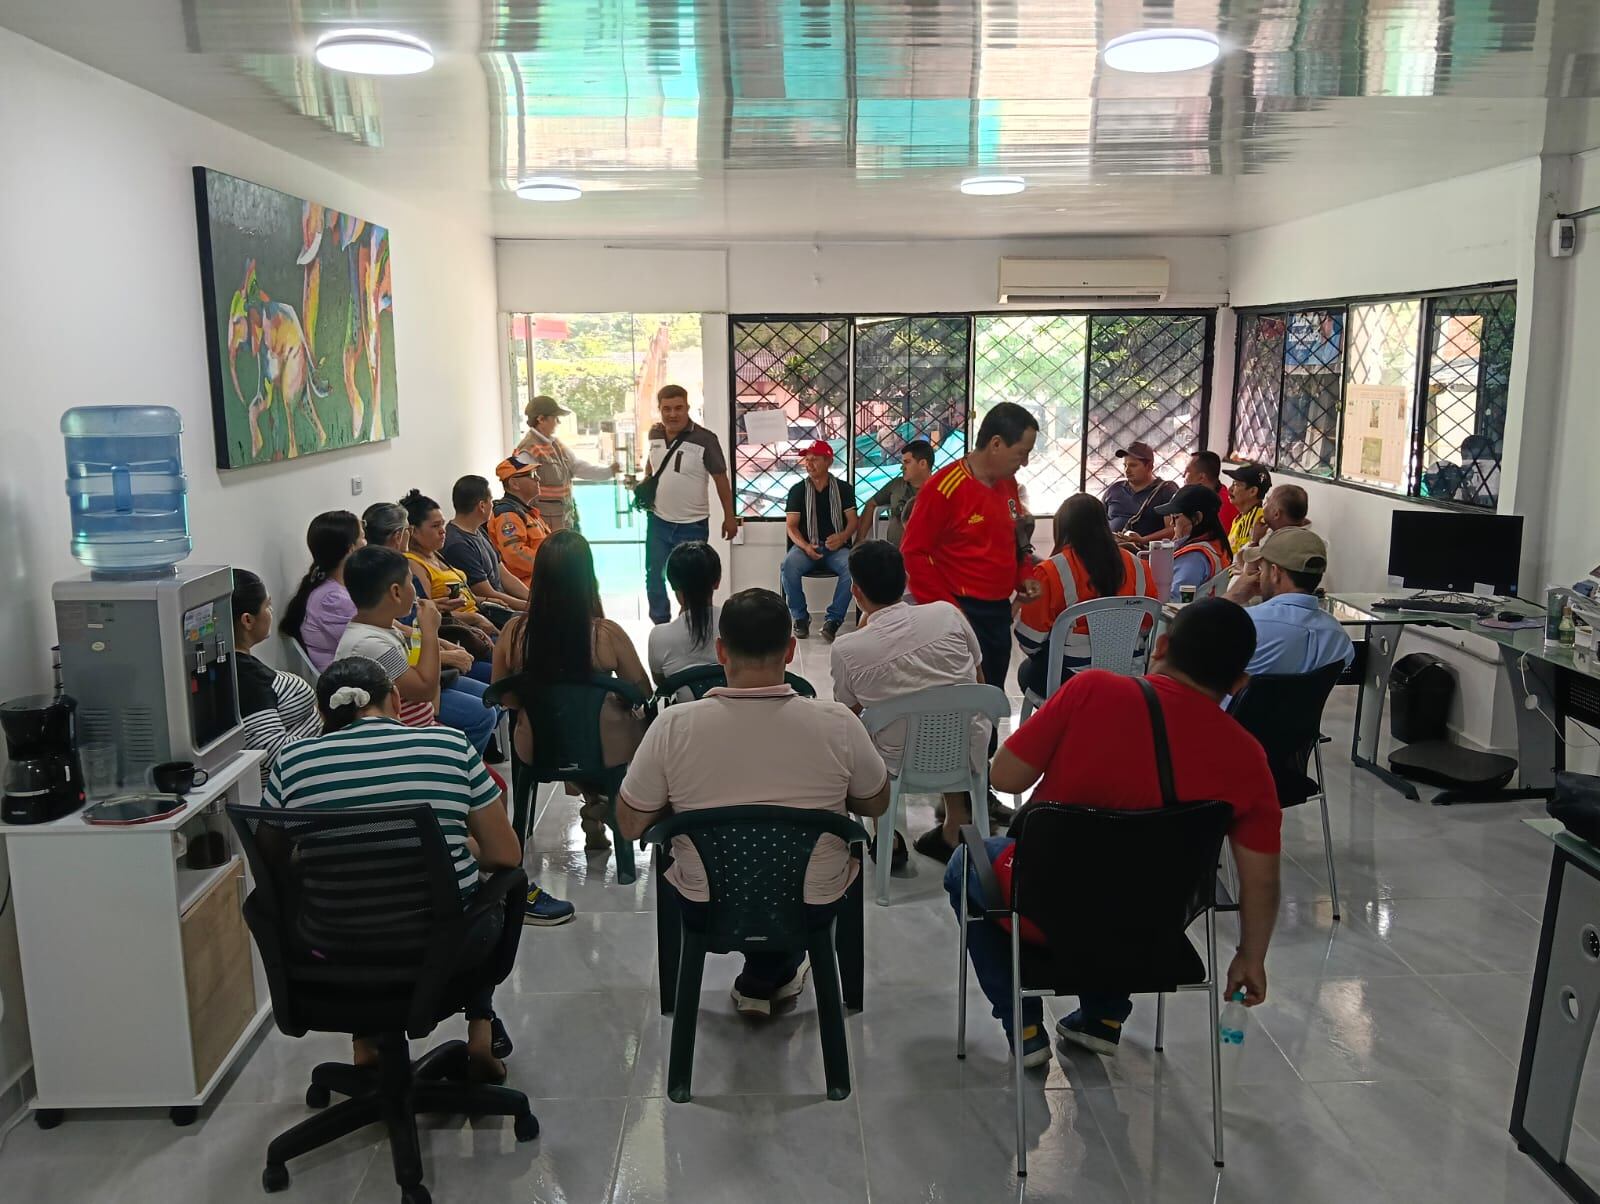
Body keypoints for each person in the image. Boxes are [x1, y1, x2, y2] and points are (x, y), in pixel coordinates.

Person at [949, 599, 1281, 1066]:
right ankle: (1103, 1015)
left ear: (1161, 646)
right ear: (1239, 682)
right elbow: (1262, 879)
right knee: (1137, 872)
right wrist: (1251, 956)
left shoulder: (1093, 691)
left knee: (968, 863)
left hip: (1046, 908)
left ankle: (1022, 1022)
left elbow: (1003, 778)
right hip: (1151, 927)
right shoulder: (1247, 757)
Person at [616, 588, 891, 1018]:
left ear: (721, 651)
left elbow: (631, 824)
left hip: (708, 902)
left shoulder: (674, 727)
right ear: (791, 650)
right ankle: (774, 969)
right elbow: (875, 804)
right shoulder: (836, 723)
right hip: (812, 903)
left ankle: (766, 972)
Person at [263, 656, 525, 1083]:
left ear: (323, 713)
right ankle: (480, 1027)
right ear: (397, 701)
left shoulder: (293, 762)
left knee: (357, 896)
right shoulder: (449, 746)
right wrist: (459, 846)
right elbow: (505, 856)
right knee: (481, 895)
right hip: (443, 947)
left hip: (331, 951)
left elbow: (273, 862)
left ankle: (364, 1044)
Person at [493, 530, 650, 856]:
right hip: (604, 748)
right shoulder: (606, 635)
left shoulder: (514, 633)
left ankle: (594, 803)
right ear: (587, 577)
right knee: (622, 723)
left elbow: (503, 696)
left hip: (538, 746)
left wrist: (541, 701)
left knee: (561, 724)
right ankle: (602, 802)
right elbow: (641, 690)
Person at [830, 540, 987, 864]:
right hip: (964, 749)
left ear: (856, 593)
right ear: (905, 579)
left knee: (856, 731)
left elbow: (847, 710)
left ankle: (886, 835)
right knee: (951, 710)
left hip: (897, 762)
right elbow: (979, 681)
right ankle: (956, 825)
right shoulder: (947, 614)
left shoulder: (849, 649)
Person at [900, 402, 1042, 700]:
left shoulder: (1008, 483)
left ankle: (989, 748)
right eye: (1021, 452)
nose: (1025, 462)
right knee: (960, 703)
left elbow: (1017, 537)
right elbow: (914, 553)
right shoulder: (944, 488)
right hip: (959, 611)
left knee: (991, 695)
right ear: (996, 444)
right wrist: (950, 613)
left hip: (997, 613)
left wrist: (1024, 575)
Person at [1014, 494, 1158, 697]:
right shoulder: (1139, 567)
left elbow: (1029, 641)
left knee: (1026, 671)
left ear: (1062, 528)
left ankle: (1064, 721)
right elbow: (1146, 625)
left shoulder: (1051, 572)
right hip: (1129, 678)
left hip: (1071, 682)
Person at [642, 384, 739, 625]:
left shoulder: (706, 439)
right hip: (658, 522)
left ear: (687, 408)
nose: (672, 414)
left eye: (678, 408)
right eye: (666, 409)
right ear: (660, 409)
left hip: (692, 525)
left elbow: (721, 479)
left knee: (693, 579)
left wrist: (729, 516)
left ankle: (691, 623)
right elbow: (652, 463)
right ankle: (661, 625)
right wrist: (647, 481)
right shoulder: (654, 434)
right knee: (654, 576)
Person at [231, 569, 320, 783]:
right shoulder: (246, 679)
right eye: (267, 606)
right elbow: (274, 752)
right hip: (294, 790)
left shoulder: (242, 668)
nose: (271, 611)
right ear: (248, 620)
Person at [1237, 528, 1353, 677]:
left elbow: (1200, 648)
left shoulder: (1245, 624)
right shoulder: (1338, 637)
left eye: (1261, 568)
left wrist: (1232, 597)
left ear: (1275, 573)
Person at [401, 490, 501, 644]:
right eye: (435, 526)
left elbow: (458, 597)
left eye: (442, 523)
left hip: (478, 618)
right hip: (460, 632)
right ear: (413, 531)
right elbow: (427, 612)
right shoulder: (413, 563)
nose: (443, 530)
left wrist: (488, 600)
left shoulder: (435, 554)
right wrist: (475, 618)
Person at [782, 441, 858, 642]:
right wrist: (806, 546)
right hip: (807, 548)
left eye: (814, 459)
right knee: (788, 565)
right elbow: (791, 526)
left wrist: (842, 536)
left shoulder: (843, 489)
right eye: (807, 460)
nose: (809, 464)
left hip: (836, 548)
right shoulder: (797, 490)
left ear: (828, 461)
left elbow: (853, 522)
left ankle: (833, 620)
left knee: (853, 568)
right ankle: (800, 617)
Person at [278, 511, 366, 673]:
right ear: (351, 548)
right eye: (362, 537)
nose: (366, 543)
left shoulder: (336, 586)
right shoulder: (332, 599)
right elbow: (366, 643)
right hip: (347, 682)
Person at [514, 394, 615, 532]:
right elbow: (520, 489)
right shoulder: (528, 450)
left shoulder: (555, 444)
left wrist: (608, 472)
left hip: (565, 519)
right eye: (555, 418)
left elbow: (577, 466)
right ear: (541, 419)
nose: (558, 422)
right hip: (545, 525)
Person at [443, 474, 529, 621]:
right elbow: (488, 593)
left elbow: (504, 575)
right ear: (482, 506)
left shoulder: (478, 530)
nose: (493, 506)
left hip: (504, 606)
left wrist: (532, 598)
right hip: (489, 614)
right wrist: (531, 607)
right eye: (491, 502)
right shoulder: (458, 545)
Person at [1226, 483, 1320, 603]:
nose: (1263, 507)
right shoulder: (1270, 532)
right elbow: (1240, 558)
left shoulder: (1294, 544)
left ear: (1276, 514)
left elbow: (1248, 574)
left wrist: (1254, 542)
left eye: (1267, 502)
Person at [648, 541, 722, 687]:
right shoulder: (735, 624)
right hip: (731, 709)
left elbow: (662, 684)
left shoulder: (659, 636)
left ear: (673, 584)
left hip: (681, 709)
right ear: (717, 582)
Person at [1153, 484, 1233, 601]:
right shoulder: (1216, 543)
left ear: (1197, 518)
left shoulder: (1195, 557)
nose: (1172, 524)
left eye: (1176, 517)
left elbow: (1174, 602)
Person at [489, 452, 552, 588]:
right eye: (532, 475)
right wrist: (551, 563)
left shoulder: (526, 512)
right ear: (514, 483)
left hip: (542, 581)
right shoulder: (507, 515)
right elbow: (515, 554)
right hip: (527, 587)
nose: (538, 479)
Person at [858, 439, 934, 546]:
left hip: (926, 554)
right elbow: (871, 504)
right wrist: (859, 541)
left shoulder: (940, 489)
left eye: (907, 462)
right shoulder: (896, 485)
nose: (902, 467)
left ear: (922, 464)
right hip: (895, 554)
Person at [1101, 441, 1178, 544]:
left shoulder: (1166, 490)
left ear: (1149, 466)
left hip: (1144, 554)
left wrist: (1143, 540)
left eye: (1133, 465)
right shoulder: (1114, 489)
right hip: (1110, 550)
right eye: (1125, 465)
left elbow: (1175, 529)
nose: (1127, 470)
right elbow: (1098, 521)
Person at [1224, 463, 1271, 557]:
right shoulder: (1243, 516)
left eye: (1236, 484)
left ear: (1253, 491)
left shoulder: (1257, 521)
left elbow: (1240, 558)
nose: (1230, 489)